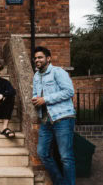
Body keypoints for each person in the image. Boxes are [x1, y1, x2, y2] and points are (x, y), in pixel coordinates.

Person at [32, 46, 76, 185]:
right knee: (43, 153)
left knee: (66, 157)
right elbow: (36, 93)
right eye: (35, 58)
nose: (37, 60)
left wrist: (46, 99)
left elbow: (69, 91)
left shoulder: (58, 72)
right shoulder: (36, 75)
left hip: (62, 118)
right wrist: (35, 99)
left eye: (40, 57)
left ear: (48, 58)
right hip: (46, 120)